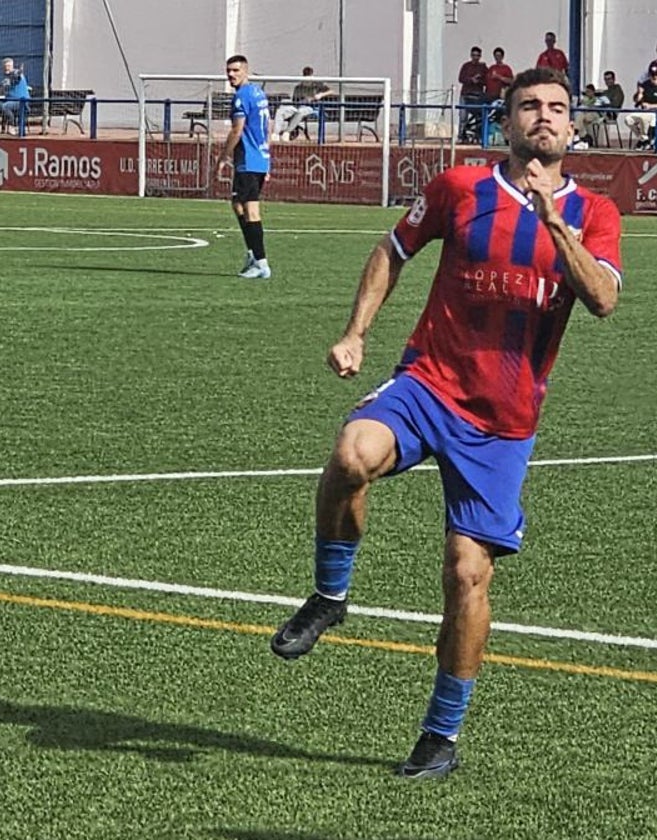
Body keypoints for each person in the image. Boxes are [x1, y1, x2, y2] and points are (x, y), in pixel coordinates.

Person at [269, 65, 622, 781]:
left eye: (556, 109)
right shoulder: (460, 189)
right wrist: (356, 333)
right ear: (506, 122)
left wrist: (554, 222)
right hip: (428, 383)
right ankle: (330, 595)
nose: (544, 118)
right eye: (529, 107)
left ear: (573, 127)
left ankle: (441, 735)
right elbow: (390, 252)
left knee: (466, 573)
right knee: (350, 454)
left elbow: (604, 300)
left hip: (504, 420)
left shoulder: (597, 214)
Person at [215, 55, 272, 280]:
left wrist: (222, 158)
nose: (231, 75)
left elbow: (237, 131)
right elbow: (268, 126)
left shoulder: (241, 97)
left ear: (246, 71)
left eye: (236, 70)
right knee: (238, 204)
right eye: (229, 70)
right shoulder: (259, 94)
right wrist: (268, 157)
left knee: (250, 210)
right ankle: (252, 252)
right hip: (259, 157)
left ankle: (261, 262)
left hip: (249, 159)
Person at [273, 66, 334, 141]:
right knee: (281, 111)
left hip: (310, 107)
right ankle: (276, 133)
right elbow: (294, 100)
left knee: (300, 112)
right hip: (297, 106)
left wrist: (320, 95)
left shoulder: (317, 85)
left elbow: (331, 91)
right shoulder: (298, 87)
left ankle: (287, 132)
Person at [626, 63, 657, 149]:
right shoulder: (645, 85)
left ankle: (645, 140)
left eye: (656, 75)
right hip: (644, 111)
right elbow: (636, 100)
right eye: (652, 75)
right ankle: (643, 139)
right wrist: (640, 94)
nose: (654, 77)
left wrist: (651, 106)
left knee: (644, 118)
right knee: (628, 119)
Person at [457, 46, 488, 140]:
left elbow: (487, 80)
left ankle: (478, 136)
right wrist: (471, 80)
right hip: (465, 95)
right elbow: (461, 78)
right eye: (474, 55)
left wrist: (479, 81)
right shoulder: (466, 66)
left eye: (477, 55)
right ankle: (461, 136)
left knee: (479, 117)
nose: (475, 57)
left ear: (480, 56)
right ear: (471, 55)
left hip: (477, 96)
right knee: (463, 117)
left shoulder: (483, 67)